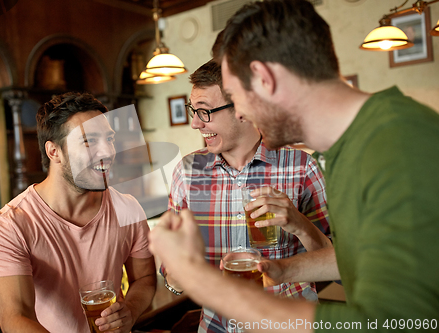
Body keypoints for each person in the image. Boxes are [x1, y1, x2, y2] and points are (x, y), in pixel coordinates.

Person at [149, 0, 439, 332]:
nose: (241, 113)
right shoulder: (344, 151)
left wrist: (200, 280)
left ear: (265, 78)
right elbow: (354, 259)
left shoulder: (396, 142)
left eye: (234, 93)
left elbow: (398, 324)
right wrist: (285, 270)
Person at [163, 59, 331, 333]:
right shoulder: (188, 171)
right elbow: (171, 274)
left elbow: (340, 263)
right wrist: (179, 270)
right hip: (217, 327)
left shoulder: (301, 167)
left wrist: (300, 225)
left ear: (242, 109)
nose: (194, 123)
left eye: (204, 112)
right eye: (193, 110)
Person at [0, 92, 156, 333]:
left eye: (109, 139)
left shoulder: (128, 208)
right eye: (89, 141)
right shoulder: (8, 226)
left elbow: (145, 279)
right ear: (54, 152)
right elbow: (15, 319)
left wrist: (131, 311)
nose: (107, 152)